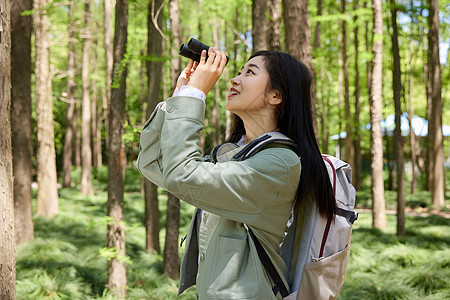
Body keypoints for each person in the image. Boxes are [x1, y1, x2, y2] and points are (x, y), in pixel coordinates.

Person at [136, 47, 336, 300]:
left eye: (250, 72)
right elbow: (152, 163)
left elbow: (181, 176)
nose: (234, 78)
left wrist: (194, 95)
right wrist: (180, 95)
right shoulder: (236, 155)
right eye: (239, 71)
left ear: (276, 95)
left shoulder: (279, 164)